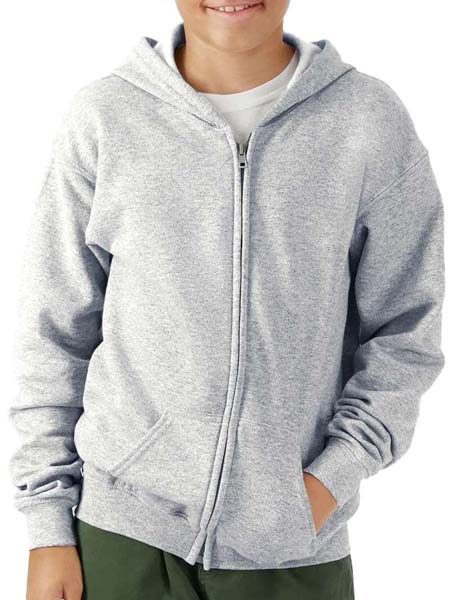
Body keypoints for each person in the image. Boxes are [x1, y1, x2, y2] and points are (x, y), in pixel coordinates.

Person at [9, 1, 445, 599]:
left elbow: (406, 333)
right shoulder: (106, 116)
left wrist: (324, 484)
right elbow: (54, 332)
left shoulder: (366, 120)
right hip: (120, 537)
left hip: (293, 549)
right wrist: (47, 528)